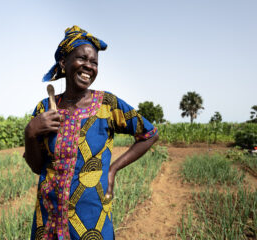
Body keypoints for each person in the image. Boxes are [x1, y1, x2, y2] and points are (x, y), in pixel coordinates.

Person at [25, 26, 159, 240]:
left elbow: (150, 133)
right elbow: (36, 166)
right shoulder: (44, 109)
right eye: (82, 59)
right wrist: (30, 133)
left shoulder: (108, 104)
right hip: (49, 217)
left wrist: (113, 170)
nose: (89, 66)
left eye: (94, 62)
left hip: (91, 218)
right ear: (63, 63)